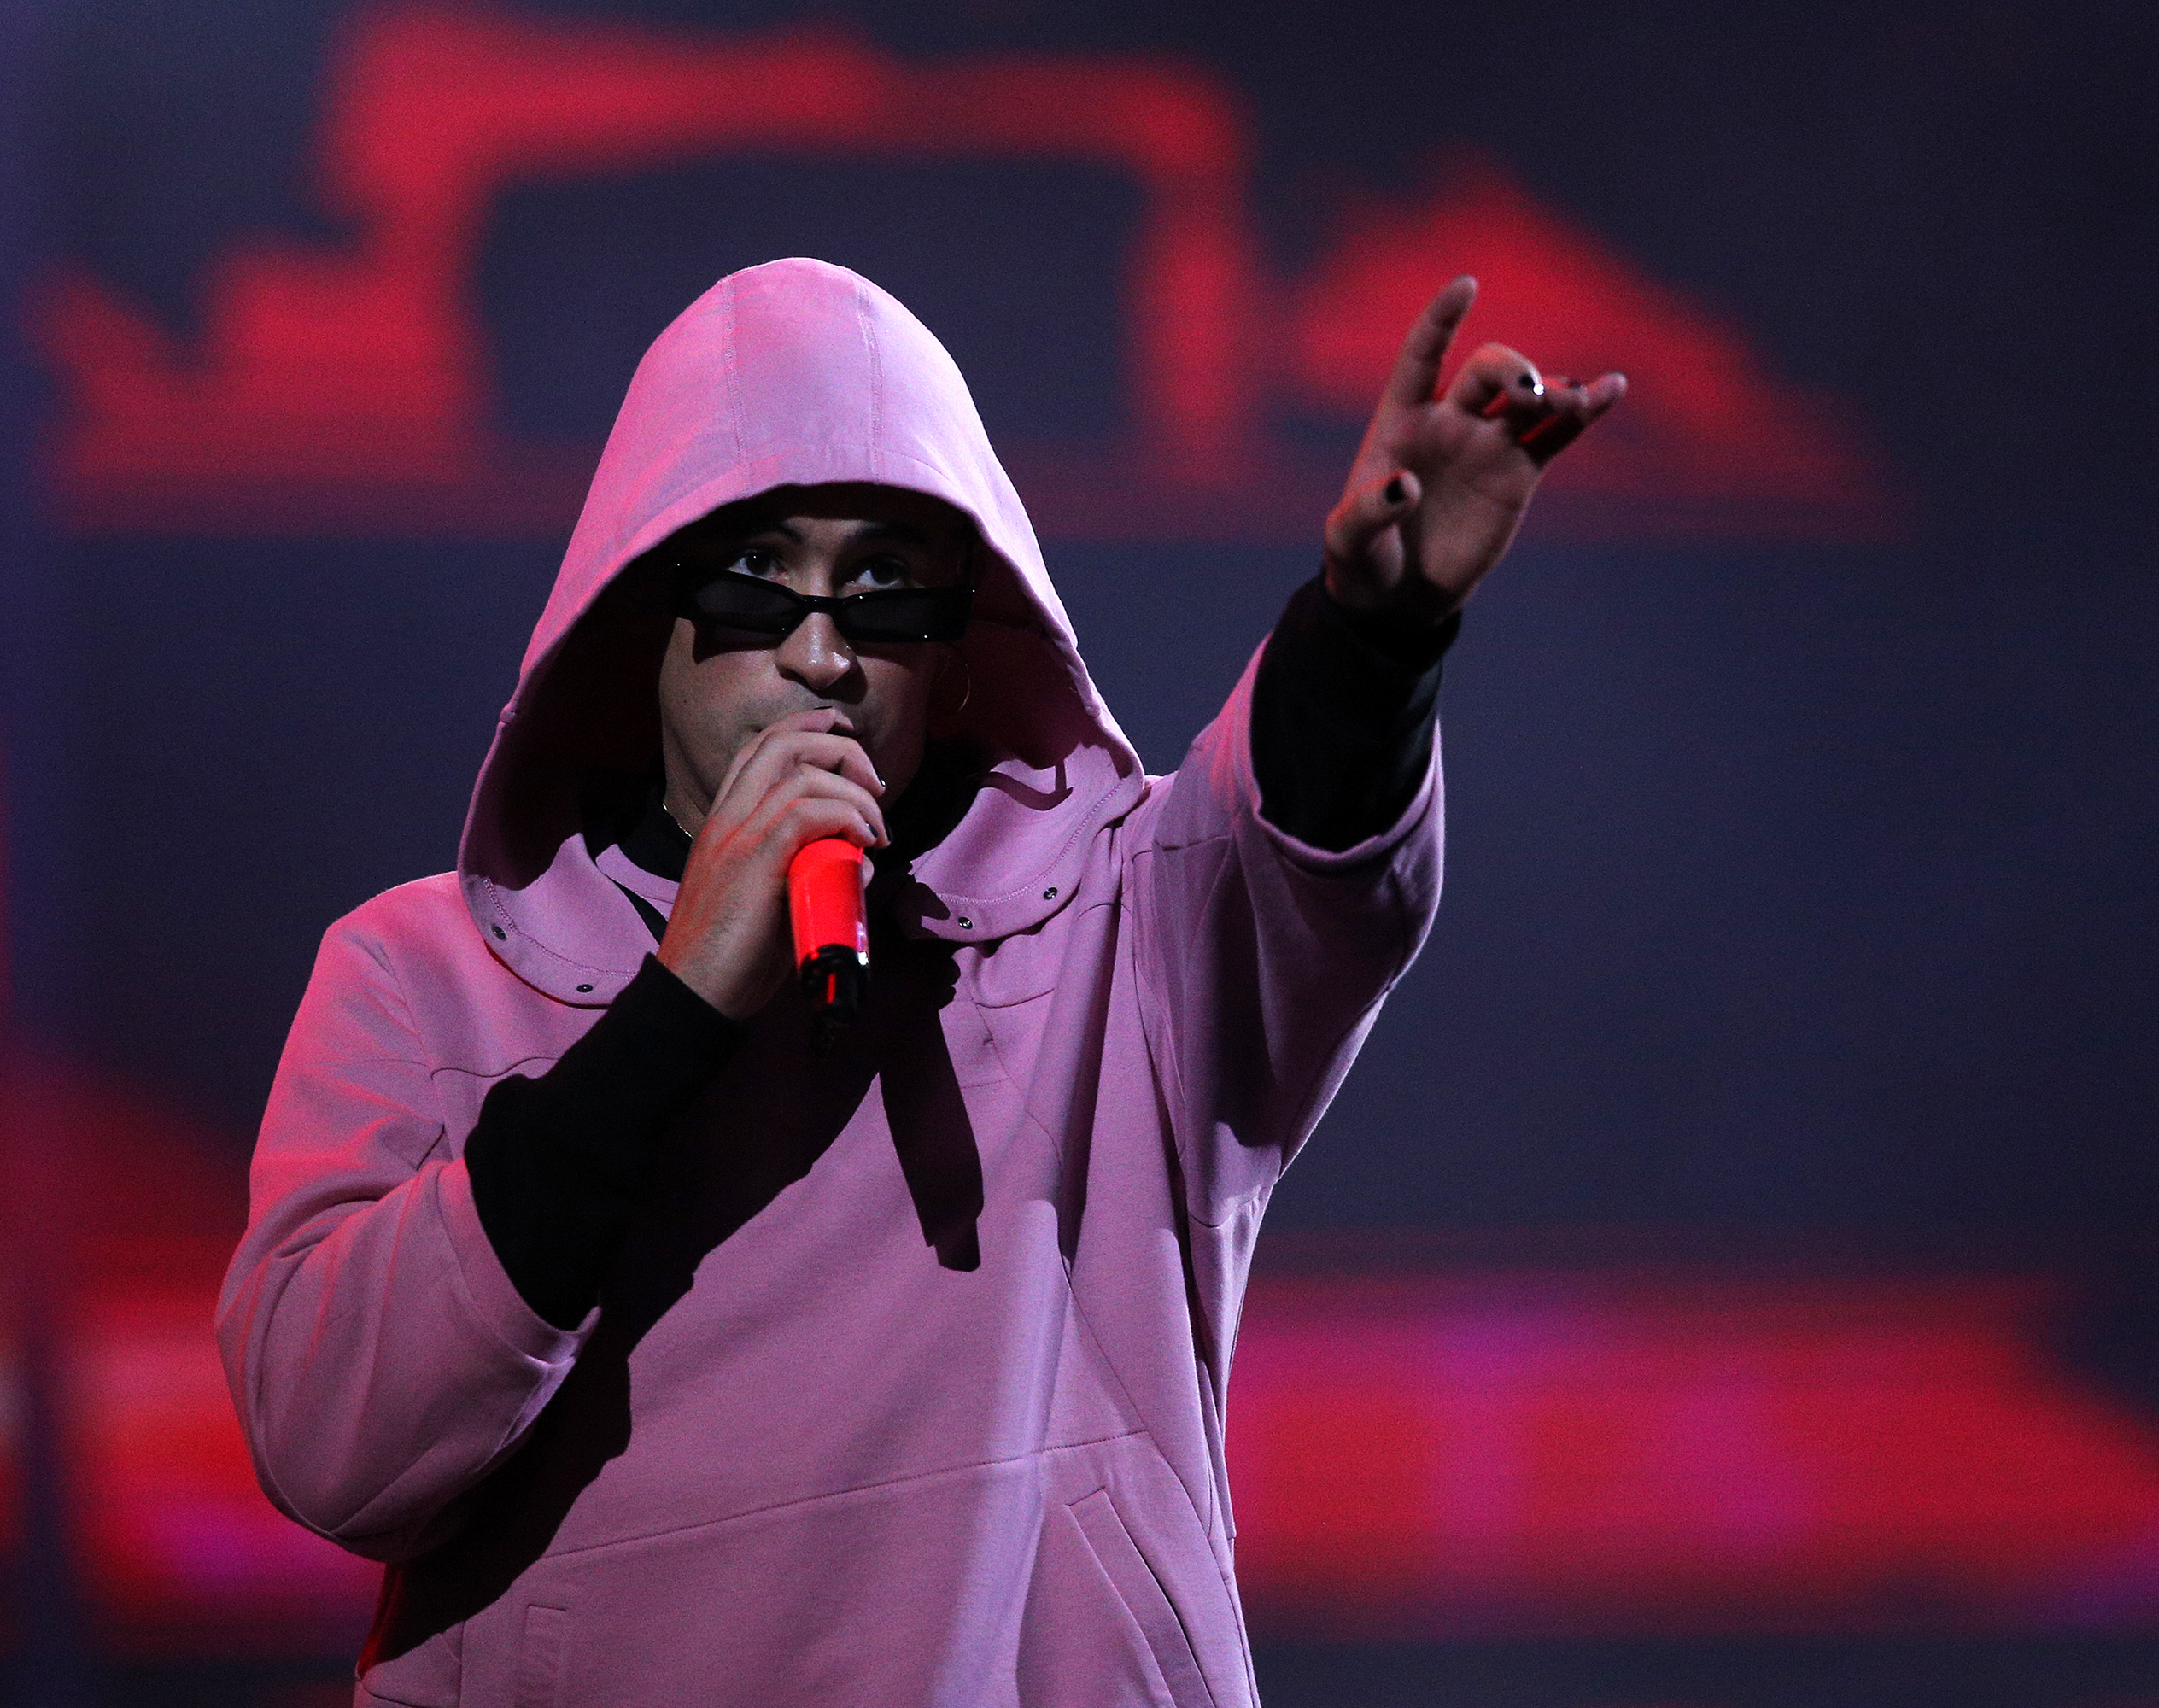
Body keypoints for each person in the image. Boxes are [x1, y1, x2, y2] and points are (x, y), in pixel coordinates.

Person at [218, 257, 1621, 1707]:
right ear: (647, 613)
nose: (822, 653)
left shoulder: (1118, 927)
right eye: (759, 575)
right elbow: (334, 1452)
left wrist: (1375, 635)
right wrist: (678, 1003)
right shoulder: (422, 975)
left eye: (884, 587)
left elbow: (1311, 861)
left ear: (958, 653)